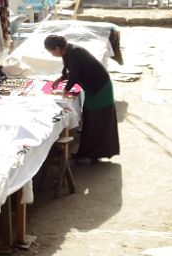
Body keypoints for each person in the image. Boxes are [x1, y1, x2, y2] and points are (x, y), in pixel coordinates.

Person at [44, 34, 120, 164]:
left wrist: (65, 91)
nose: (52, 55)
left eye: (51, 52)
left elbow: (75, 75)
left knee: (96, 122)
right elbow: (73, 72)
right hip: (93, 88)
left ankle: (92, 155)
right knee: (90, 121)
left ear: (57, 48)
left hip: (100, 89)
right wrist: (60, 79)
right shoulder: (69, 52)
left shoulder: (75, 53)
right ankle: (86, 153)